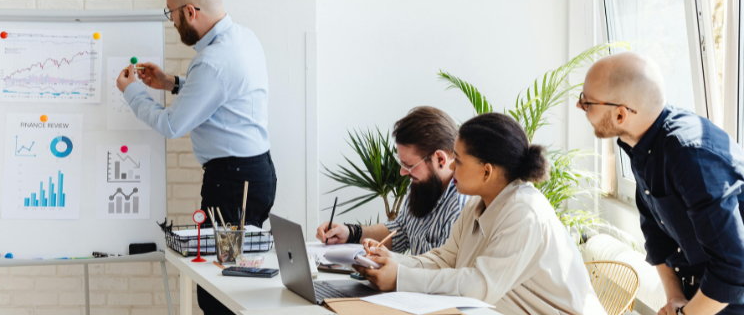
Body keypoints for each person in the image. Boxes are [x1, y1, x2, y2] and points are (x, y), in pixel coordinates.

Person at [116, 0, 276, 315]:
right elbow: (218, 95)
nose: (172, 23)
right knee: (235, 283)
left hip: (233, 183)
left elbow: (171, 124)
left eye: (172, 14)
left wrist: (132, 94)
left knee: (217, 293)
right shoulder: (243, 38)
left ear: (190, 12)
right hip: (256, 173)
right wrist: (171, 82)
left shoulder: (213, 61)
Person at [354, 113, 606, 315]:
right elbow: (445, 259)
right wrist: (392, 261)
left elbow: (479, 286)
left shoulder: (524, 212)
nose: (451, 166)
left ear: (487, 172)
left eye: (459, 161)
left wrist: (399, 277)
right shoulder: (477, 204)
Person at [578, 52, 744, 315]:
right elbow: (656, 235)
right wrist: (675, 296)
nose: (580, 107)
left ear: (620, 115)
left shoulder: (688, 155)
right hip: (696, 294)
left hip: (728, 301)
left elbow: (734, 269)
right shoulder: (639, 142)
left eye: (586, 102)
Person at [316, 106, 467, 255]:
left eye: (409, 165)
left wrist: (393, 271)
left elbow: (443, 272)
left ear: (440, 159)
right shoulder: (420, 185)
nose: (402, 172)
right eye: (402, 164)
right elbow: (400, 230)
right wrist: (351, 232)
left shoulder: (461, 207)